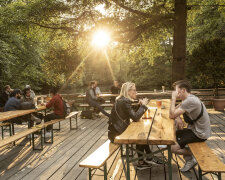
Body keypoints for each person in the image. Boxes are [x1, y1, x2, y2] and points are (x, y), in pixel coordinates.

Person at [108, 82, 159, 170]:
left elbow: (130, 113)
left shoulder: (121, 100)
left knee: (142, 133)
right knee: (141, 135)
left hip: (115, 131)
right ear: (128, 92)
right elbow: (135, 117)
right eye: (134, 90)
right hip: (117, 134)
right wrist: (143, 106)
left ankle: (149, 157)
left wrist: (139, 106)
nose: (136, 92)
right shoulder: (124, 101)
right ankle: (141, 162)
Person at [169, 80, 211, 172]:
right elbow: (174, 112)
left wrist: (173, 98)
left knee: (172, 148)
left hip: (199, 134)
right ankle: (190, 160)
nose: (177, 94)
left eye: (178, 92)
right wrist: (178, 118)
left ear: (183, 90)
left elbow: (171, 114)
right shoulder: (188, 99)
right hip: (194, 130)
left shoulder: (190, 101)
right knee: (172, 136)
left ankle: (197, 155)